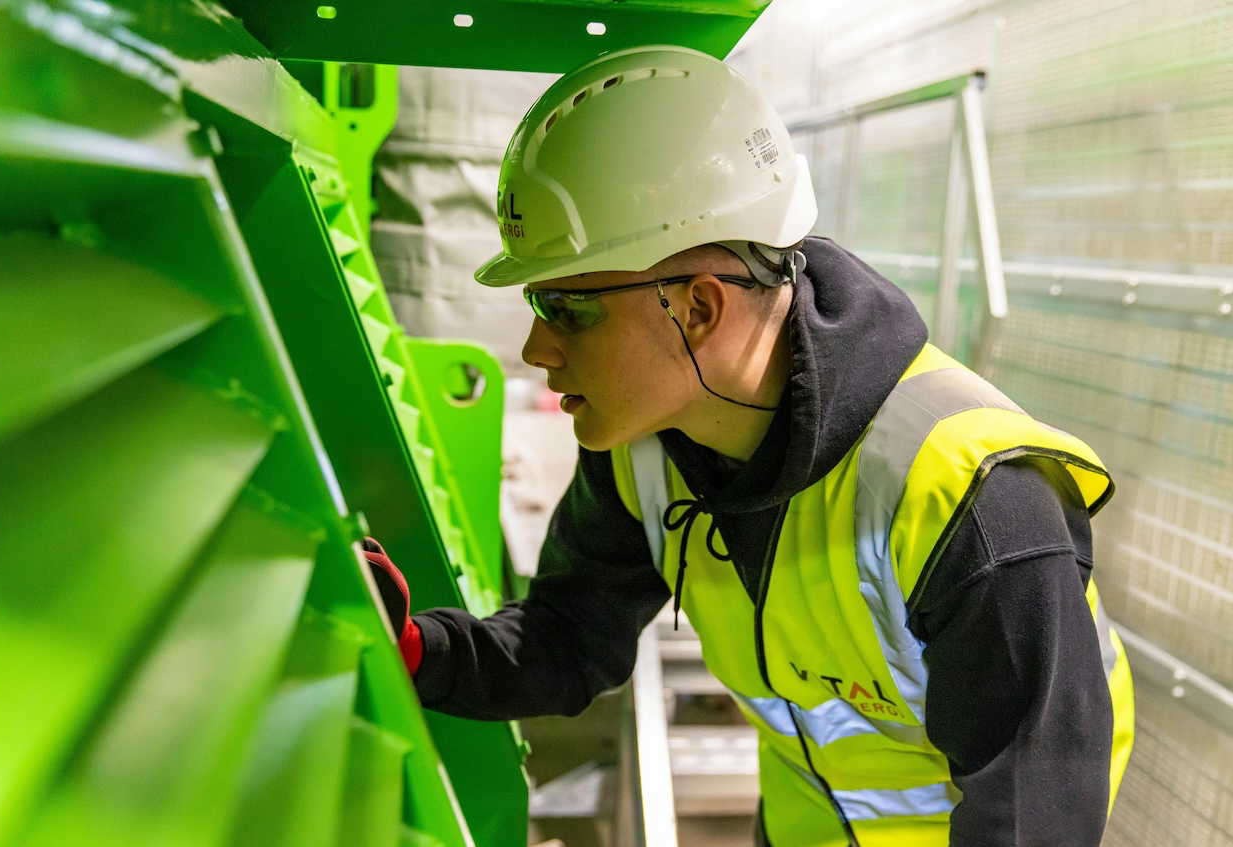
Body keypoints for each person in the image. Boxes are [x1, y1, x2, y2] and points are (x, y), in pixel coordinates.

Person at [365, 45, 1135, 847]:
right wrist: (419, 647)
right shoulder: (646, 452)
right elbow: (567, 640)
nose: (534, 348)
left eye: (566, 307)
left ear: (697, 306)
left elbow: (1033, 817)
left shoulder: (969, 501)